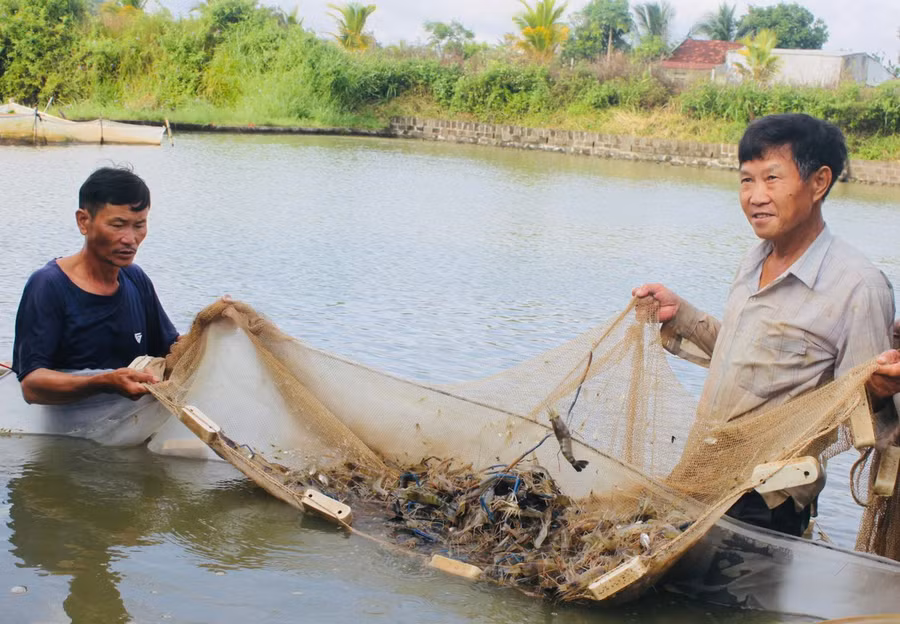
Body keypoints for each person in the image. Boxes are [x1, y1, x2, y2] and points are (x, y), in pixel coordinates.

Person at [633, 113, 896, 536]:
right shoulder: (753, 260)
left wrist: (878, 392)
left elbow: (857, 419)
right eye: (746, 180)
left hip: (766, 503)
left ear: (819, 182)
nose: (756, 196)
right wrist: (680, 314)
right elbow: (744, 357)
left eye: (772, 179)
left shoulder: (859, 287)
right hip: (703, 475)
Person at [12, 166, 177, 405]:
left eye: (139, 225)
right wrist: (104, 382)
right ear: (84, 221)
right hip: (69, 428)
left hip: (125, 421)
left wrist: (214, 328)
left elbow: (170, 349)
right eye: (118, 225)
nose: (130, 239)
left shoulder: (135, 278)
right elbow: (32, 386)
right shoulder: (48, 285)